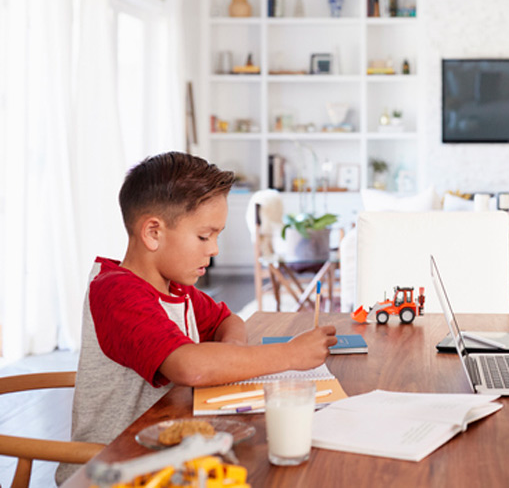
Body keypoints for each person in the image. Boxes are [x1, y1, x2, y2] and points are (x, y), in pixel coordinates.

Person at [56, 152, 338, 483]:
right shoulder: (116, 293)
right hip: (113, 471)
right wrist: (290, 355)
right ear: (153, 233)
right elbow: (189, 366)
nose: (215, 249)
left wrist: (230, 352)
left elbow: (227, 320)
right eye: (205, 236)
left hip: (170, 461)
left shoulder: (176, 288)